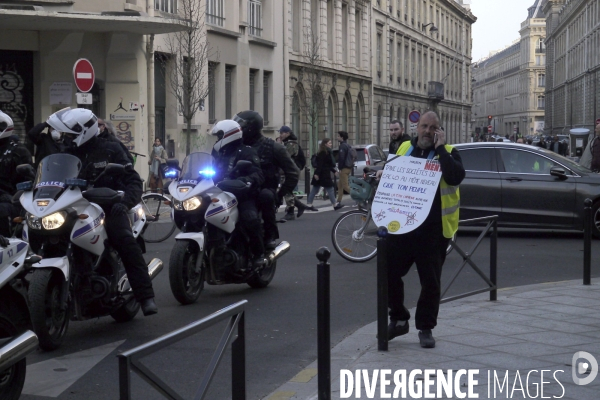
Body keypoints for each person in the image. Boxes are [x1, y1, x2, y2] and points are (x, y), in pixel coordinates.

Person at [46, 108, 157, 316]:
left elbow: (132, 180)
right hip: (73, 207)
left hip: (108, 207)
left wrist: (124, 203)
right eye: (65, 134)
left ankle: (145, 296)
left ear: (84, 131)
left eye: (70, 134)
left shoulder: (112, 149)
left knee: (124, 240)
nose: (66, 138)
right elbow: (50, 178)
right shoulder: (65, 154)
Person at [381, 111, 465, 349]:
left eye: (433, 128)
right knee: (387, 271)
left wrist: (440, 149)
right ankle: (398, 318)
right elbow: (392, 177)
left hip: (433, 231)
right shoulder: (404, 147)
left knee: (431, 282)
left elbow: (455, 176)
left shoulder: (449, 152)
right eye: (424, 126)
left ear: (439, 131)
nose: (428, 131)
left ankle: (425, 327)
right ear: (417, 127)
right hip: (403, 228)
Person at [234, 110, 299, 250]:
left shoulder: (273, 147)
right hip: (239, 188)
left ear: (251, 128)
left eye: (241, 127)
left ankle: (270, 235)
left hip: (262, 189)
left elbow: (293, 172)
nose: (238, 130)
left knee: (266, 196)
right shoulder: (235, 145)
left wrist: (280, 194)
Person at [211, 119, 266, 269]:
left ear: (229, 134)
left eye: (220, 135)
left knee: (250, 219)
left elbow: (258, 174)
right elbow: (207, 168)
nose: (217, 139)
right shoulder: (217, 152)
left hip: (241, 195)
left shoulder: (247, 151)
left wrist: (246, 181)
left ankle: (259, 254)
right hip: (218, 193)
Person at [0, 110, 33, 237]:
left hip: (11, 200)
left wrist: (14, 196)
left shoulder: (19, 151)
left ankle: (7, 240)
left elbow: (29, 181)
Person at [279, 126, 308, 220]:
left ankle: (291, 212)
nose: (280, 135)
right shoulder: (288, 143)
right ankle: (299, 206)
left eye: (282, 133)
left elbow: (285, 157)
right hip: (290, 170)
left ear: (288, 133)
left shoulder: (291, 144)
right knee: (287, 190)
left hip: (291, 171)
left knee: (285, 190)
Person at [306, 138, 337, 210]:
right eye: (329, 143)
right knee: (330, 189)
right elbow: (320, 164)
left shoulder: (328, 152)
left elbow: (327, 164)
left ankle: (309, 204)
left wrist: (334, 171)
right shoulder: (323, 153)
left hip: (322, 173)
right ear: (325, 144)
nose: (331, 144)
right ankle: (335, 205)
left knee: (315, 189)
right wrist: (316, 174)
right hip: (323, 174)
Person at [335, 131, 352, 210]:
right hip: (348, 167)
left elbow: (341, 158)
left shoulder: (342, 146)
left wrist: (340, 168)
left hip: (344, 168)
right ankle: (338, 201)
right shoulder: (348, 145)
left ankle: (359, 197)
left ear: (342, 137)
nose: (337, 137)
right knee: (340, 185)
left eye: (338, 136)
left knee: (345, 186)